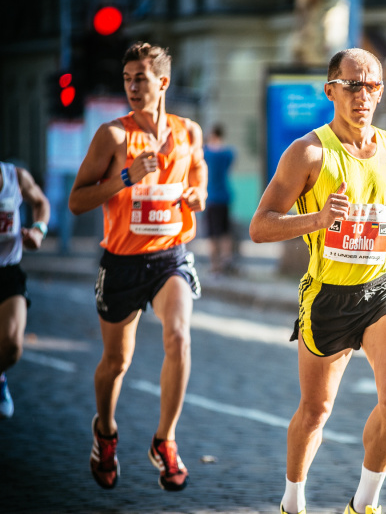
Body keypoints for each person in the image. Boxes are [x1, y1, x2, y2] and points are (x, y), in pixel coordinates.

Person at [250, 48, 386, 514]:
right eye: (352, 85)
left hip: (383, 290)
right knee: (315, 412)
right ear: (331, 90)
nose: (363, 95)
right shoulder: (308, 153)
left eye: (372, 86)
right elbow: (260, 226)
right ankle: (292, 502)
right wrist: (318, 219)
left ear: (381, 92)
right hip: (328, 296)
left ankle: (363, 504)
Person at [68, 41, 207, 492]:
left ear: (162, 82)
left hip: (170, 257)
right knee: (116, 361)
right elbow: (77, 201)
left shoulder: (188, 131)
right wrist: (127, 177)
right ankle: (105, 432)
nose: (131, 86)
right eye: (127, 79)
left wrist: (198, 195)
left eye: (140, 78)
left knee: (179, 336)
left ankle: (165, 440)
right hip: (123, 262)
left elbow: (199, 171)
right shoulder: (113, 136)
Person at [0, 162, 50, 419]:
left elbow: (41, 202)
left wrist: (38, 231)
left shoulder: (15, 177)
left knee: (11, 347)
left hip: (7, 270)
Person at [202, 123, 236, 275]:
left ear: (213, 135)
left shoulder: (207, 154)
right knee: (225, 231)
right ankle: (226, 260)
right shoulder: (228, 153)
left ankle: (215, 265)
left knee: (211, 234)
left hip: (211, 198)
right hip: (225, 196)